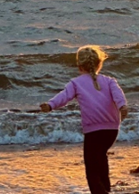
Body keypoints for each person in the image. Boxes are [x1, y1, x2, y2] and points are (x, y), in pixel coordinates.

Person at [40, 45, 128, 194]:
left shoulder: (76, 83)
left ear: (79, 65)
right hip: (112, 130)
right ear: (100, 64)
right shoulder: (109, 81)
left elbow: (64, 96)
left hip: (93, 131)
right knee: (101, 159)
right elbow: (118, 96)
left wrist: (50, 105)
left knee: (92, 168)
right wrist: (122, 107)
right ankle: (106, 189)